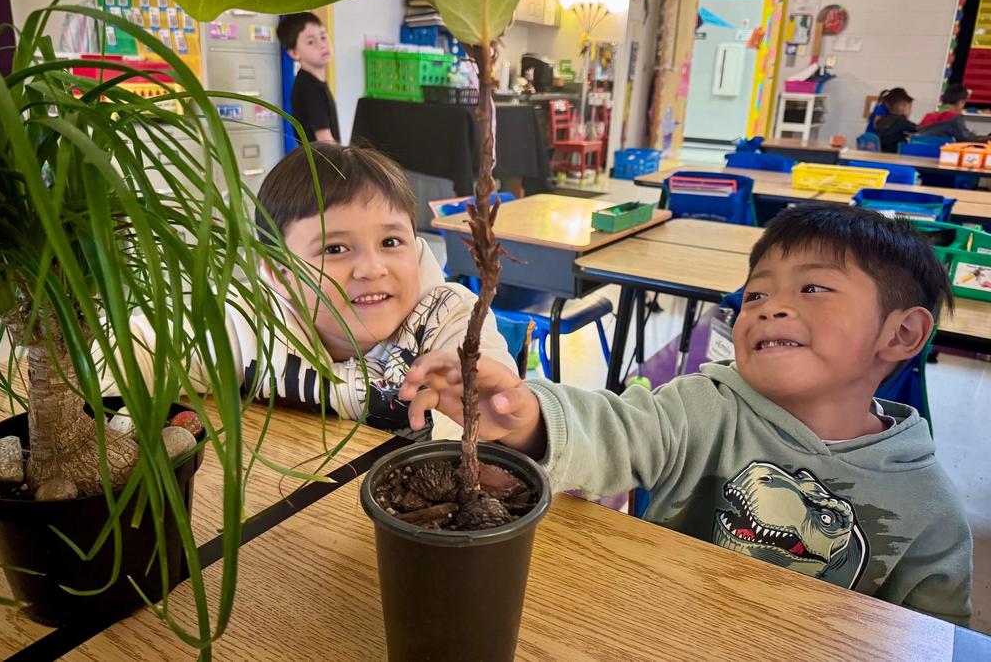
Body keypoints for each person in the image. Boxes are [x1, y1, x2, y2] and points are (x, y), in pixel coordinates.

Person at [400, 204, 973, 624]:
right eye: (754, 295)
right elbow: (617, 430)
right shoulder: (704, 405)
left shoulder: (929, 509)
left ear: (902, 333)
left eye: (814, 288)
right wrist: (522, 415)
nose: (771, 308)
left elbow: (936, 636)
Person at [111, 143, 516, 440]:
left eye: (391, 242)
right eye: (335, 249)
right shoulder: (247, 325)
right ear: (280, 272)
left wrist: (514, 421)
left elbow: (502, 420)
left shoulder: (450, 320)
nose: (372, 269)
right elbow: (138, 351)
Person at [277, 12, 340, 144]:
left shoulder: (314, 82)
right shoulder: (309, 88)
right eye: (311, 42)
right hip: (321, 163)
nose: (322, 45)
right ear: (294, 53)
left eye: (323, 37)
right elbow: (325, 141)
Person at [918, 84, 987, 142]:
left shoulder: (929, 115)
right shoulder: (955, 117)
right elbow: (966, 138)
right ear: (961, 103)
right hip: (939, 153)